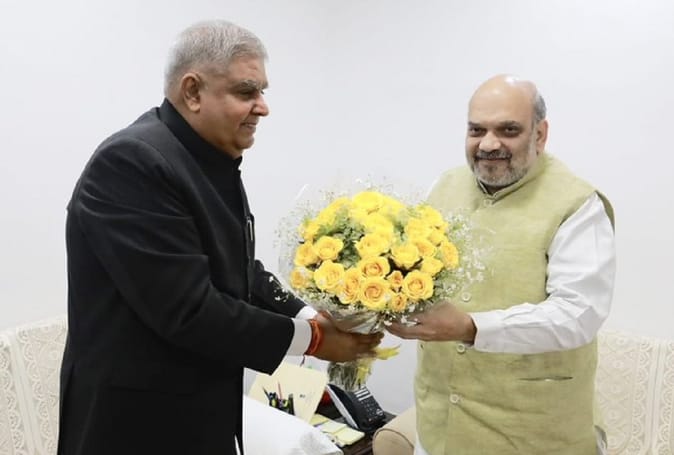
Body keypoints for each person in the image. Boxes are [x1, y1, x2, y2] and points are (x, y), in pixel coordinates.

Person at [58, 20, 382, 455]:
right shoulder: (132, 162)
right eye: (246, 92)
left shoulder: (208, 158)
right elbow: (190, 311)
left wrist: (311, 315)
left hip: (201, 409)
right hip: (134, 423)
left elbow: (239, 268)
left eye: (262, 91)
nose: (263, 107)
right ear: (193, 91)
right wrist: (316, 340)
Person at [387, 74, 616, 455]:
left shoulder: (577, 204)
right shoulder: (443, 186)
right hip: (439, 428)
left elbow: (578, 314)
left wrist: (472, 327)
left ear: (540, 134)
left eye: (508, 130)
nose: (489, 144)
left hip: (536, 437)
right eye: (477, 130)